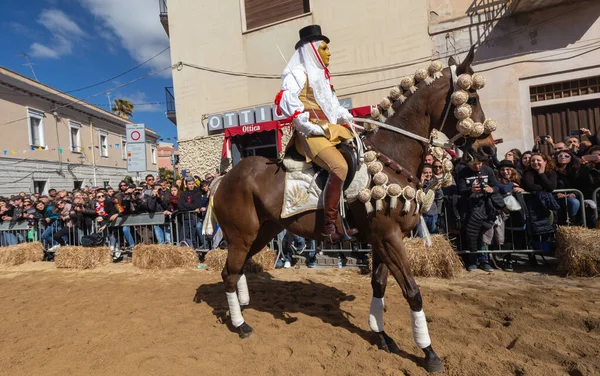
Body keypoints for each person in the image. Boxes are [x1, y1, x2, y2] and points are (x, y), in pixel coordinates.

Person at [275, 24, 356, 243]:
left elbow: (333, 107)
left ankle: (351, 215)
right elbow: (289, 105)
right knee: (339, 166)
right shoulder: (297, 75)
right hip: (309, 134)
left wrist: (346, 117)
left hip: (329, 130)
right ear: (312, 49)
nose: (329, 52)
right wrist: (308, 125)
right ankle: (329, 226)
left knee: (360, 152)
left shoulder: (323, 77)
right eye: (325, 48)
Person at [456, 159, 503, 272]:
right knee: (471, 234)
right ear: (468, 163)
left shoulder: (488, 170)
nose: (478, 166)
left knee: (484, 235)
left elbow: (496, 186)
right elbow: (460, 190)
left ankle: (484, 260)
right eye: (474, 164)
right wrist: (470, 190)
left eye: (480, 164)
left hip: (486, 208)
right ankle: (472, 261)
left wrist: (491, 189)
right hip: (468, 209)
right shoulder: (462, 173)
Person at [554, 150, 581, 225]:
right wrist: (556, 193)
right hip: (557, 197)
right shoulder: (552, 171)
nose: (563, 157)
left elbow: (581, 185)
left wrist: (575, 194)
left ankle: (572, 221)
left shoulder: (575, 171)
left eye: (566, 156)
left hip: (572, 196)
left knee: (574, 202)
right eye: (560, 156)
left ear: (571, 159)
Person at [178, 177, 205, 248]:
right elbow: (180, 205)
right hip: (186, 218)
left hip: (194, 217)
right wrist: (189, 206)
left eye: (192, 184)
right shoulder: (184, 193)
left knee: (193, 237)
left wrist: (185, 205)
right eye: (189, 184)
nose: (191, 186)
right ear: (186, 185)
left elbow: (196, 205)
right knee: (183, 237)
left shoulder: (197, 193)